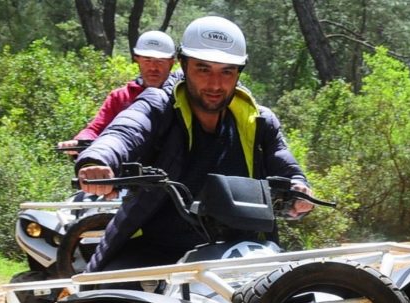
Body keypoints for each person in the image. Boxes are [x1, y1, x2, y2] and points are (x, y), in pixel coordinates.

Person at [74, 16, 314, 273]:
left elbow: (284, 163)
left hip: (241, 255)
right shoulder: (158, 104)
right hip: (157, 252)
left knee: (299, 302)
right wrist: (97, 160)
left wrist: (300, 191)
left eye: (227, 71)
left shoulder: (260, 121)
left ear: (238, 73)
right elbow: (125, 131)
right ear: (183, 64)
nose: (215, 84)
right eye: (203, 69)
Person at [57, 30, 178, 154]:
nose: (153, 67)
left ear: (171, 63)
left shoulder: (182, 95)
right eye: (147, 60)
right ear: (137, 59)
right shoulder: (120, 97)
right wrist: (80, 142)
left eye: (160, 61)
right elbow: (96, 129)